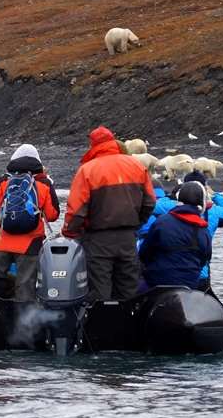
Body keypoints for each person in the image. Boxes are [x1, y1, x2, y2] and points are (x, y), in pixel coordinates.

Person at [63, 126, 156, 301]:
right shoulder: (136, 165)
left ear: (93, 145)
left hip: (98, 239)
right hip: (128, 238)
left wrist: (70, 232)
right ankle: (128, 324)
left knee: (100, 290)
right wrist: (137, 223)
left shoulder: (87, 170)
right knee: (128, 289)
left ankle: (101, 325)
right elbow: (150, 201)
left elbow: (76, 210)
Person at [0, 145, 60, 301]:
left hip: (1, 241)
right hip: (29, 244)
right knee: (25, 287)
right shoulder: (44, 183)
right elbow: (53, 215)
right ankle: (24, 322)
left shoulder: (5, 181)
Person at [139, 170, 223, 291]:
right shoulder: (212, 214)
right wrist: (215, 195)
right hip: (197, 277)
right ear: (204, 192)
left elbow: (153, 204)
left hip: (162, 277)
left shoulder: (166, 210)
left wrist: (171, 196)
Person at [138, 181, 212, 288]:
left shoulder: (162, 222)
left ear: (179, 200)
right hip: (190, 283)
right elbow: (205, 258)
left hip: (157, 280)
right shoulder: (203, 229)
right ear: (202, 204)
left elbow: (144, 253)